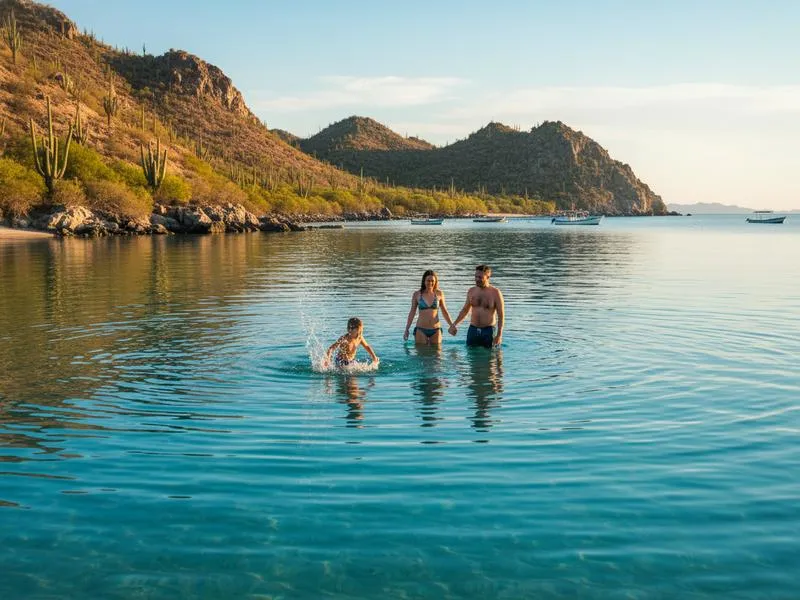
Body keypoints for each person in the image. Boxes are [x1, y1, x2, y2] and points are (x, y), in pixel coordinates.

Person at [450, 264, 504, 347]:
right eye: (476, 277)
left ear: (488, 277)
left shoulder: (496, 293)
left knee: (490, 358)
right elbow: (465, 310)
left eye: (480, 277)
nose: (477, 279)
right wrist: (454, 324)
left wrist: (499, 335)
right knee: (471, 357)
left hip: (488, 331)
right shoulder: (471, 291)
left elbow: (501, 315)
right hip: (473, 329)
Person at [403, 269, 456, 345]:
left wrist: (452, 325)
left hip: (436, 329)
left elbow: (445, 311)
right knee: (421, 355)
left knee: (437, 355)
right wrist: (407, 329)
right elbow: (412, 312)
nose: (430, 283)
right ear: (424, 281)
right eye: (428, 280)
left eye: (432, 281)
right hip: (421, 329)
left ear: (435, 282)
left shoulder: (439, 294)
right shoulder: (417, 294)